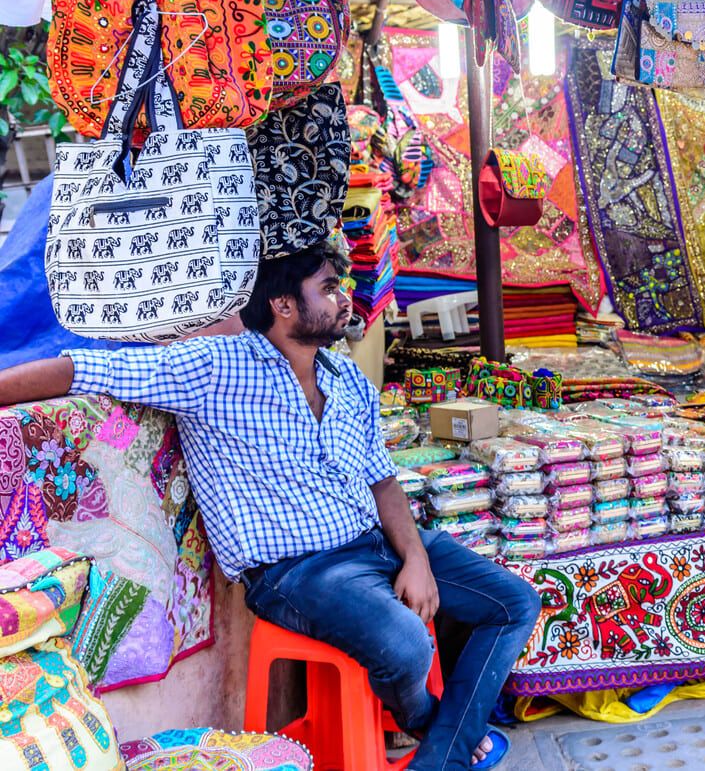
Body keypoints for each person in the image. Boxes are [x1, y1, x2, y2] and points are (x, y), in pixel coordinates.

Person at [0, 244, 542, 768]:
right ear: (284, 306)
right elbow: (83, 370)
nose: (344, 299)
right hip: (296, 572)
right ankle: (438, 729)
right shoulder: (216, 367)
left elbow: (381, 481)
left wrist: (416, 560)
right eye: (329, 288)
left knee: (513, 602)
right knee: (405, 642)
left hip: (373, 542)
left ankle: (441, 750)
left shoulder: (346, 375)